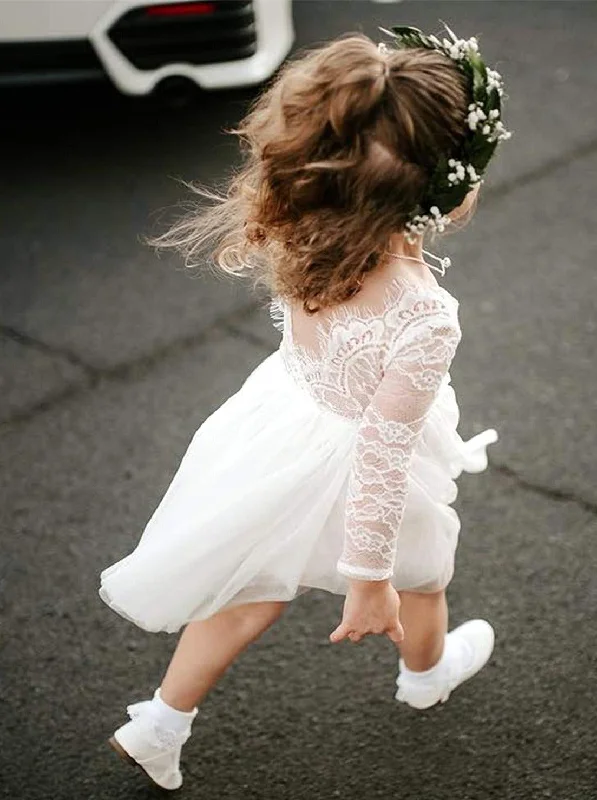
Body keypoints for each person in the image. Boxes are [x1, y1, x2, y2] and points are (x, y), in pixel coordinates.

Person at [99, 25, 511, 791]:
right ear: (435, 188)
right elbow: (384, 456)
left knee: (247, 591)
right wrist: (366, 577)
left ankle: (159, 722)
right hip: (359, 469)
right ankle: (425, 674)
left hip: (283, 431)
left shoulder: (302, 219)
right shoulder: (424, 315)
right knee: (424, 574)